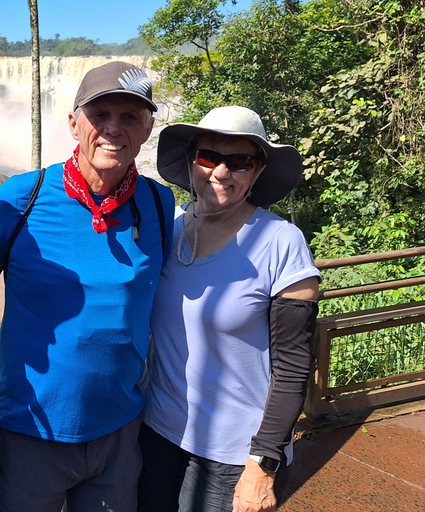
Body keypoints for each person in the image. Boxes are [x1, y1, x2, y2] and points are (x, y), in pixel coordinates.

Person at [0, 61, 175, 512]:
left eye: (129, 117)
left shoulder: (159, 202)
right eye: (100, 115)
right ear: (73, 122)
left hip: (121, 431)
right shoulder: (21, 197)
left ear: (147, 129)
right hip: (31, 432)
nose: (113, 129)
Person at [137, 106, 321, 512]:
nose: (220, 172)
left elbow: (293, 366)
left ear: (257, 171)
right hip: (156, 432)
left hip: (233, 454)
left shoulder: (281, 243)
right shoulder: (166, 227)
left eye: (239, 162)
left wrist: (265, 463)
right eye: (207, 157)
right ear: (190, 162)